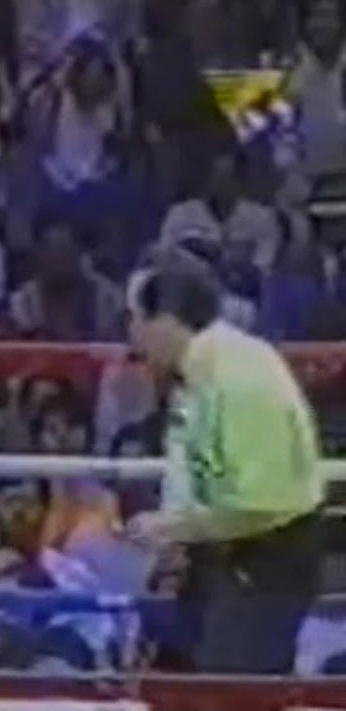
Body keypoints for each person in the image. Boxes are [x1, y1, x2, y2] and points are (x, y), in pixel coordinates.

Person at [124, 250, 324, 674]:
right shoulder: (197, 371)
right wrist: (175, 530)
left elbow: (261, 504)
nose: (131, 334)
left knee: (231, 684)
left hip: (267, 550)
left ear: (166, 322)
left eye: (137, 319)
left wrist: (177, 527)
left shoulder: (239, 375)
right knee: (177, 669)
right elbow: (188, 457)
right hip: (222, 546)